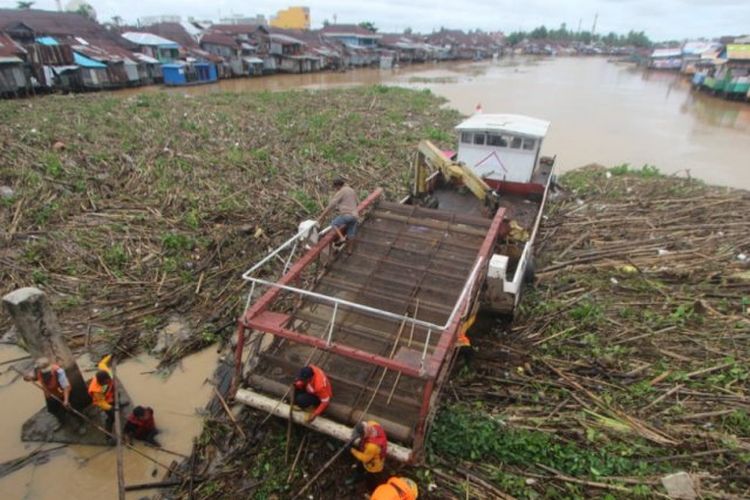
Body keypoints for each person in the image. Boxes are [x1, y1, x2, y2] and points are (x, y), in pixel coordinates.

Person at [24, 357, 71, 426]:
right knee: (53, 410)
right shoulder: (37, 369)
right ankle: (62, 421)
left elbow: (66, 387)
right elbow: (33, 377)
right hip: (49, 394)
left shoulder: (58, 371)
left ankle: (79, 423)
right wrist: (28, 378)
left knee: (69, 408)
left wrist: (66, 400)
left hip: (61, 393)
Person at [317, 177, 359, 255]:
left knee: (334, 224)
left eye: (335, 188)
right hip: (355, 216)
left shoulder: (341, 191)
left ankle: (342, 238)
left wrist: (321, 216)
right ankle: (349, 251)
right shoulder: (351, 190)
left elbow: (331, 205)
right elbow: (357, 202)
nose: (335, 189)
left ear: (338, 186)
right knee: (351, 234)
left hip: (346, 215)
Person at [350, 420, 388, 490]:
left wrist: (353, 451)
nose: (360, 437)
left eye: (360, 436)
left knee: (371, 480)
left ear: (365, 434)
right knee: (359, 468)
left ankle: (370, 490)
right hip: (366, 453)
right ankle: (357, 477)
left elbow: (365, 458)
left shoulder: (372, 446)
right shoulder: (372, 423)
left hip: (373, 466)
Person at [88, 354, 116, 432]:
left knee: (116, 395)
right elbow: (101, 403)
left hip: (109, 393)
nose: (107, 382)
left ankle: (117, 403)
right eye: (105, 382)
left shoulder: (106, 372)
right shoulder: (95, 389)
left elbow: (102, 363)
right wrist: (110, 408)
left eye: (108, 380)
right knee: (112, 417)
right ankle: (108, 436)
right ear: (101, 382)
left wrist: (110, 356)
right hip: (103, 400)